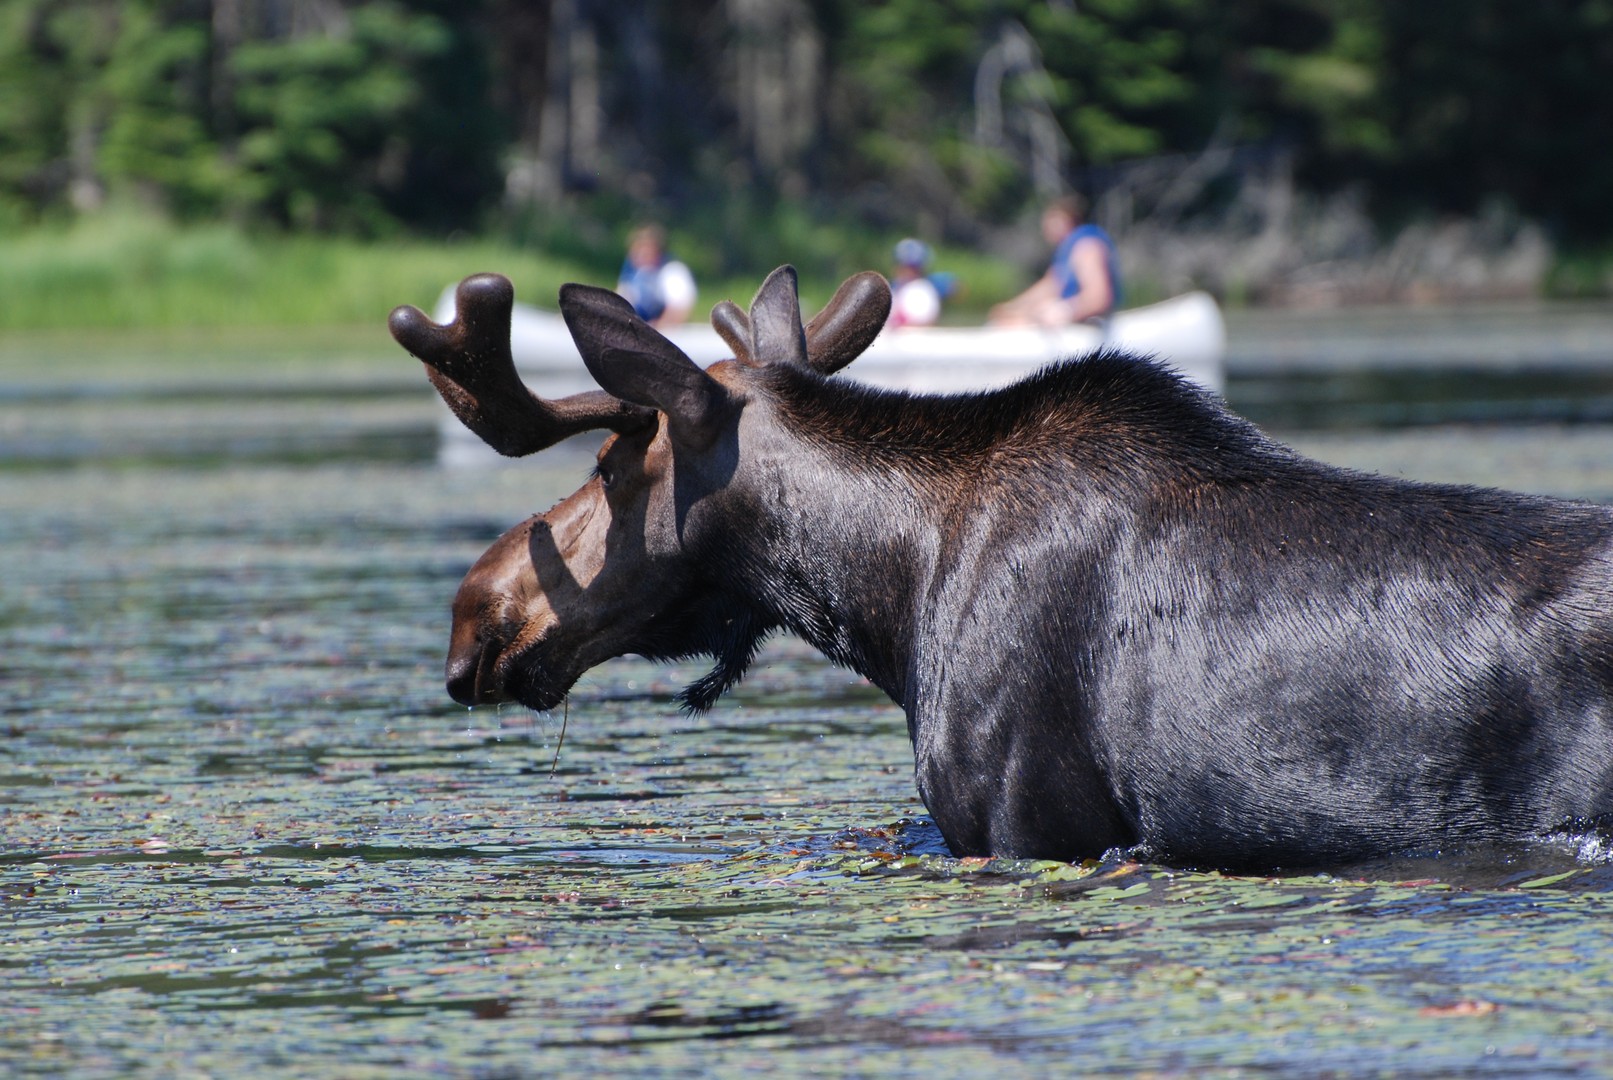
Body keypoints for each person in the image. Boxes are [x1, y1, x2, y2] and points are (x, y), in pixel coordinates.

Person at [988, 195, 1121, 328]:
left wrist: (1066, 311)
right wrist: (1012, 308)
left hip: (1092, 323)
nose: (1045, 227)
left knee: (1036, 318)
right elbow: (1049, 287)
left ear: (1068, 220)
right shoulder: (1065, 255)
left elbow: (1098, 298)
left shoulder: (1087, 246)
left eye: (1052, 220)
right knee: (1010, 322)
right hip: (1075, 321)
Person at [616, 225, 697, 327]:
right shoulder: (631, 276)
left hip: (667, 335)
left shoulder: (672, 271)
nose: (640, 255)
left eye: (645, 250)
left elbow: (678, 310)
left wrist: (654, 330)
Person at [887, 237, 944, 328]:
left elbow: (921, 323)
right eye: (902, 266)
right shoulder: (892, 289)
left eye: (911, 268)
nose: (906, 272)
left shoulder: (922, 291)